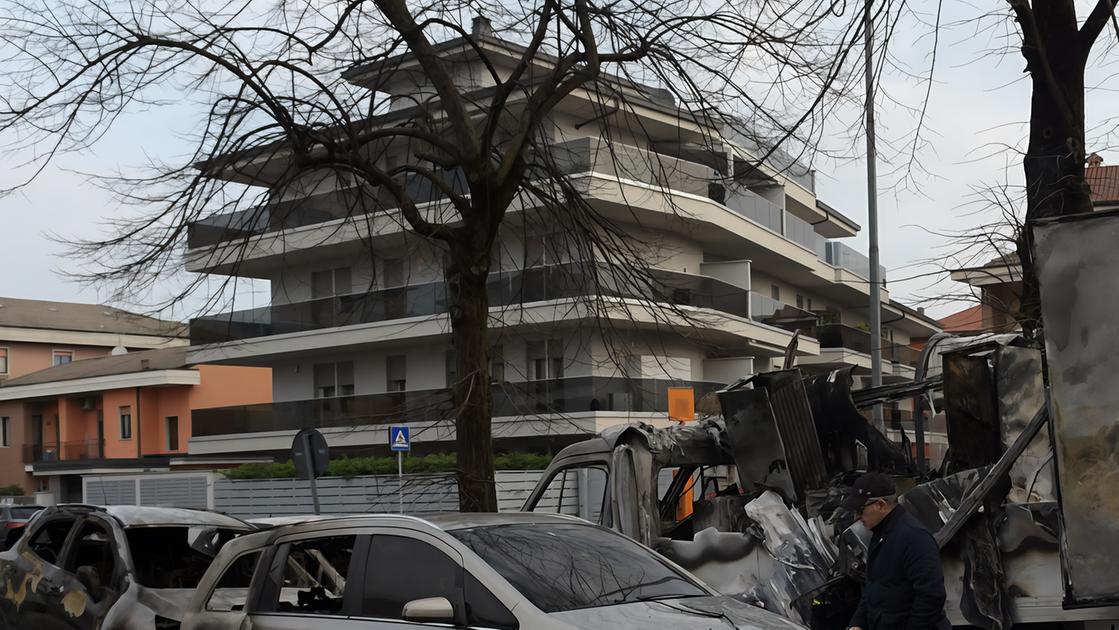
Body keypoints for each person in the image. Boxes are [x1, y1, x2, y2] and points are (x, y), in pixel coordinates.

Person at [842, 472, 951, 630]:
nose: (856, 517)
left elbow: (931, 596)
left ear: (880, 505)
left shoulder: (914, 538)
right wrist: (857, 623)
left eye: (860, 510)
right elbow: (872, 588)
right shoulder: (879, 534)